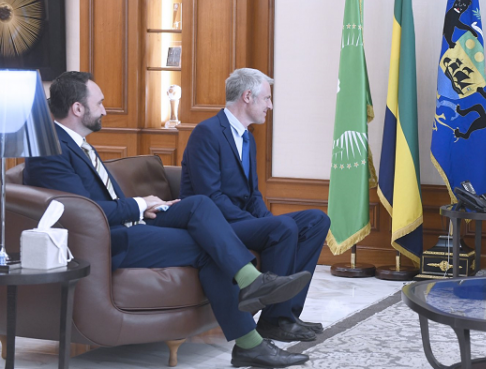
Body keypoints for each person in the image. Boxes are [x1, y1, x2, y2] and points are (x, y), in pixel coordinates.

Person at [24, 71, 311, 368]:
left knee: (197, 204)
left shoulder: (76, 143)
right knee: (208, 247)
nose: (106, 110)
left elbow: (100, 202)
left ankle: (252, 284)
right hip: (109, 240)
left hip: (127, 225)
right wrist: (137, 205)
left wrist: (147, 207)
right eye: (100, 103)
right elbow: (83, 213)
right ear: (78, 109)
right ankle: (250, 337)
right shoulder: (51, 150)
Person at [180, 68, 330, 342]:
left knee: (317, 220)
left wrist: (266, 221)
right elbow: (209, 198)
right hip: (216, 228)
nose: (270, 106)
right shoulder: (207, 133)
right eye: (267, 99)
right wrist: (260, 224)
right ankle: (275, 321)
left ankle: (286, 315)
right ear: (247, 96)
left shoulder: (248, 138)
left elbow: (252, 195)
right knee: (282, 226)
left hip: (240, 221)